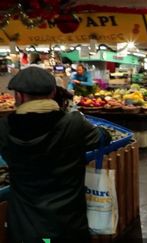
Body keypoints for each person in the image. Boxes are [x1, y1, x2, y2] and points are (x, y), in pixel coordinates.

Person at [0, 67, 112, 243]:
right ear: (53, 93)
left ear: (19, 96)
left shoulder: (4, 129)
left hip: (24, 229)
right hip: (68, 226)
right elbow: (103, 138)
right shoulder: (74, 124)